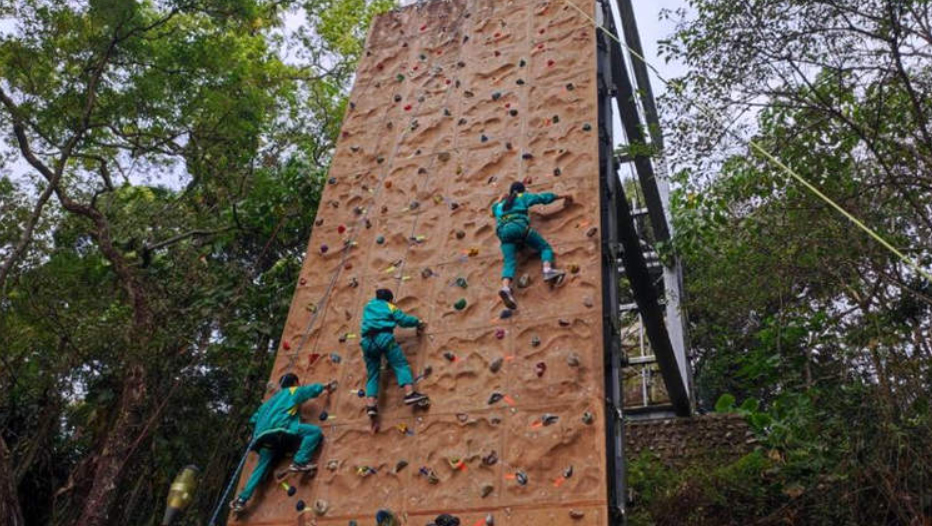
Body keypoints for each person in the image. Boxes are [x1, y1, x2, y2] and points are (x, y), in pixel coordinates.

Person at [229, 373, 335, 513]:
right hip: (281, 430)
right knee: (314, 432)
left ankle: (242, 499)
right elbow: (309, 391)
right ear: (295, 383)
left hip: (262, 439)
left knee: (261, 467)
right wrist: (325, 386)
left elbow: (253, 419)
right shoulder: (292, 391)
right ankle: (300, 461)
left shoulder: (267, 403)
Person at [492, 181, 572, 309]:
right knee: (544, 247)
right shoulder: (522, 197)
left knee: (509, 262)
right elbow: (542, 198)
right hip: (518, 227)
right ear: (521, 191)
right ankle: (547, 269)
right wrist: (563, 196)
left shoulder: (500, 205)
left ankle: (506, 288)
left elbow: (493, 209)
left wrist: (500, 198)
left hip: (503, 234)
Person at [360, 288, 428, 417]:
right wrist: (417, 323)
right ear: (390, 299)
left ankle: (371, 406)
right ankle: (409, 394)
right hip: (384, 339)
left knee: (373, 374)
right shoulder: (389, 306)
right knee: (400, 364)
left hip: (366, 342)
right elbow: (403, 321)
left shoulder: (369, 305)